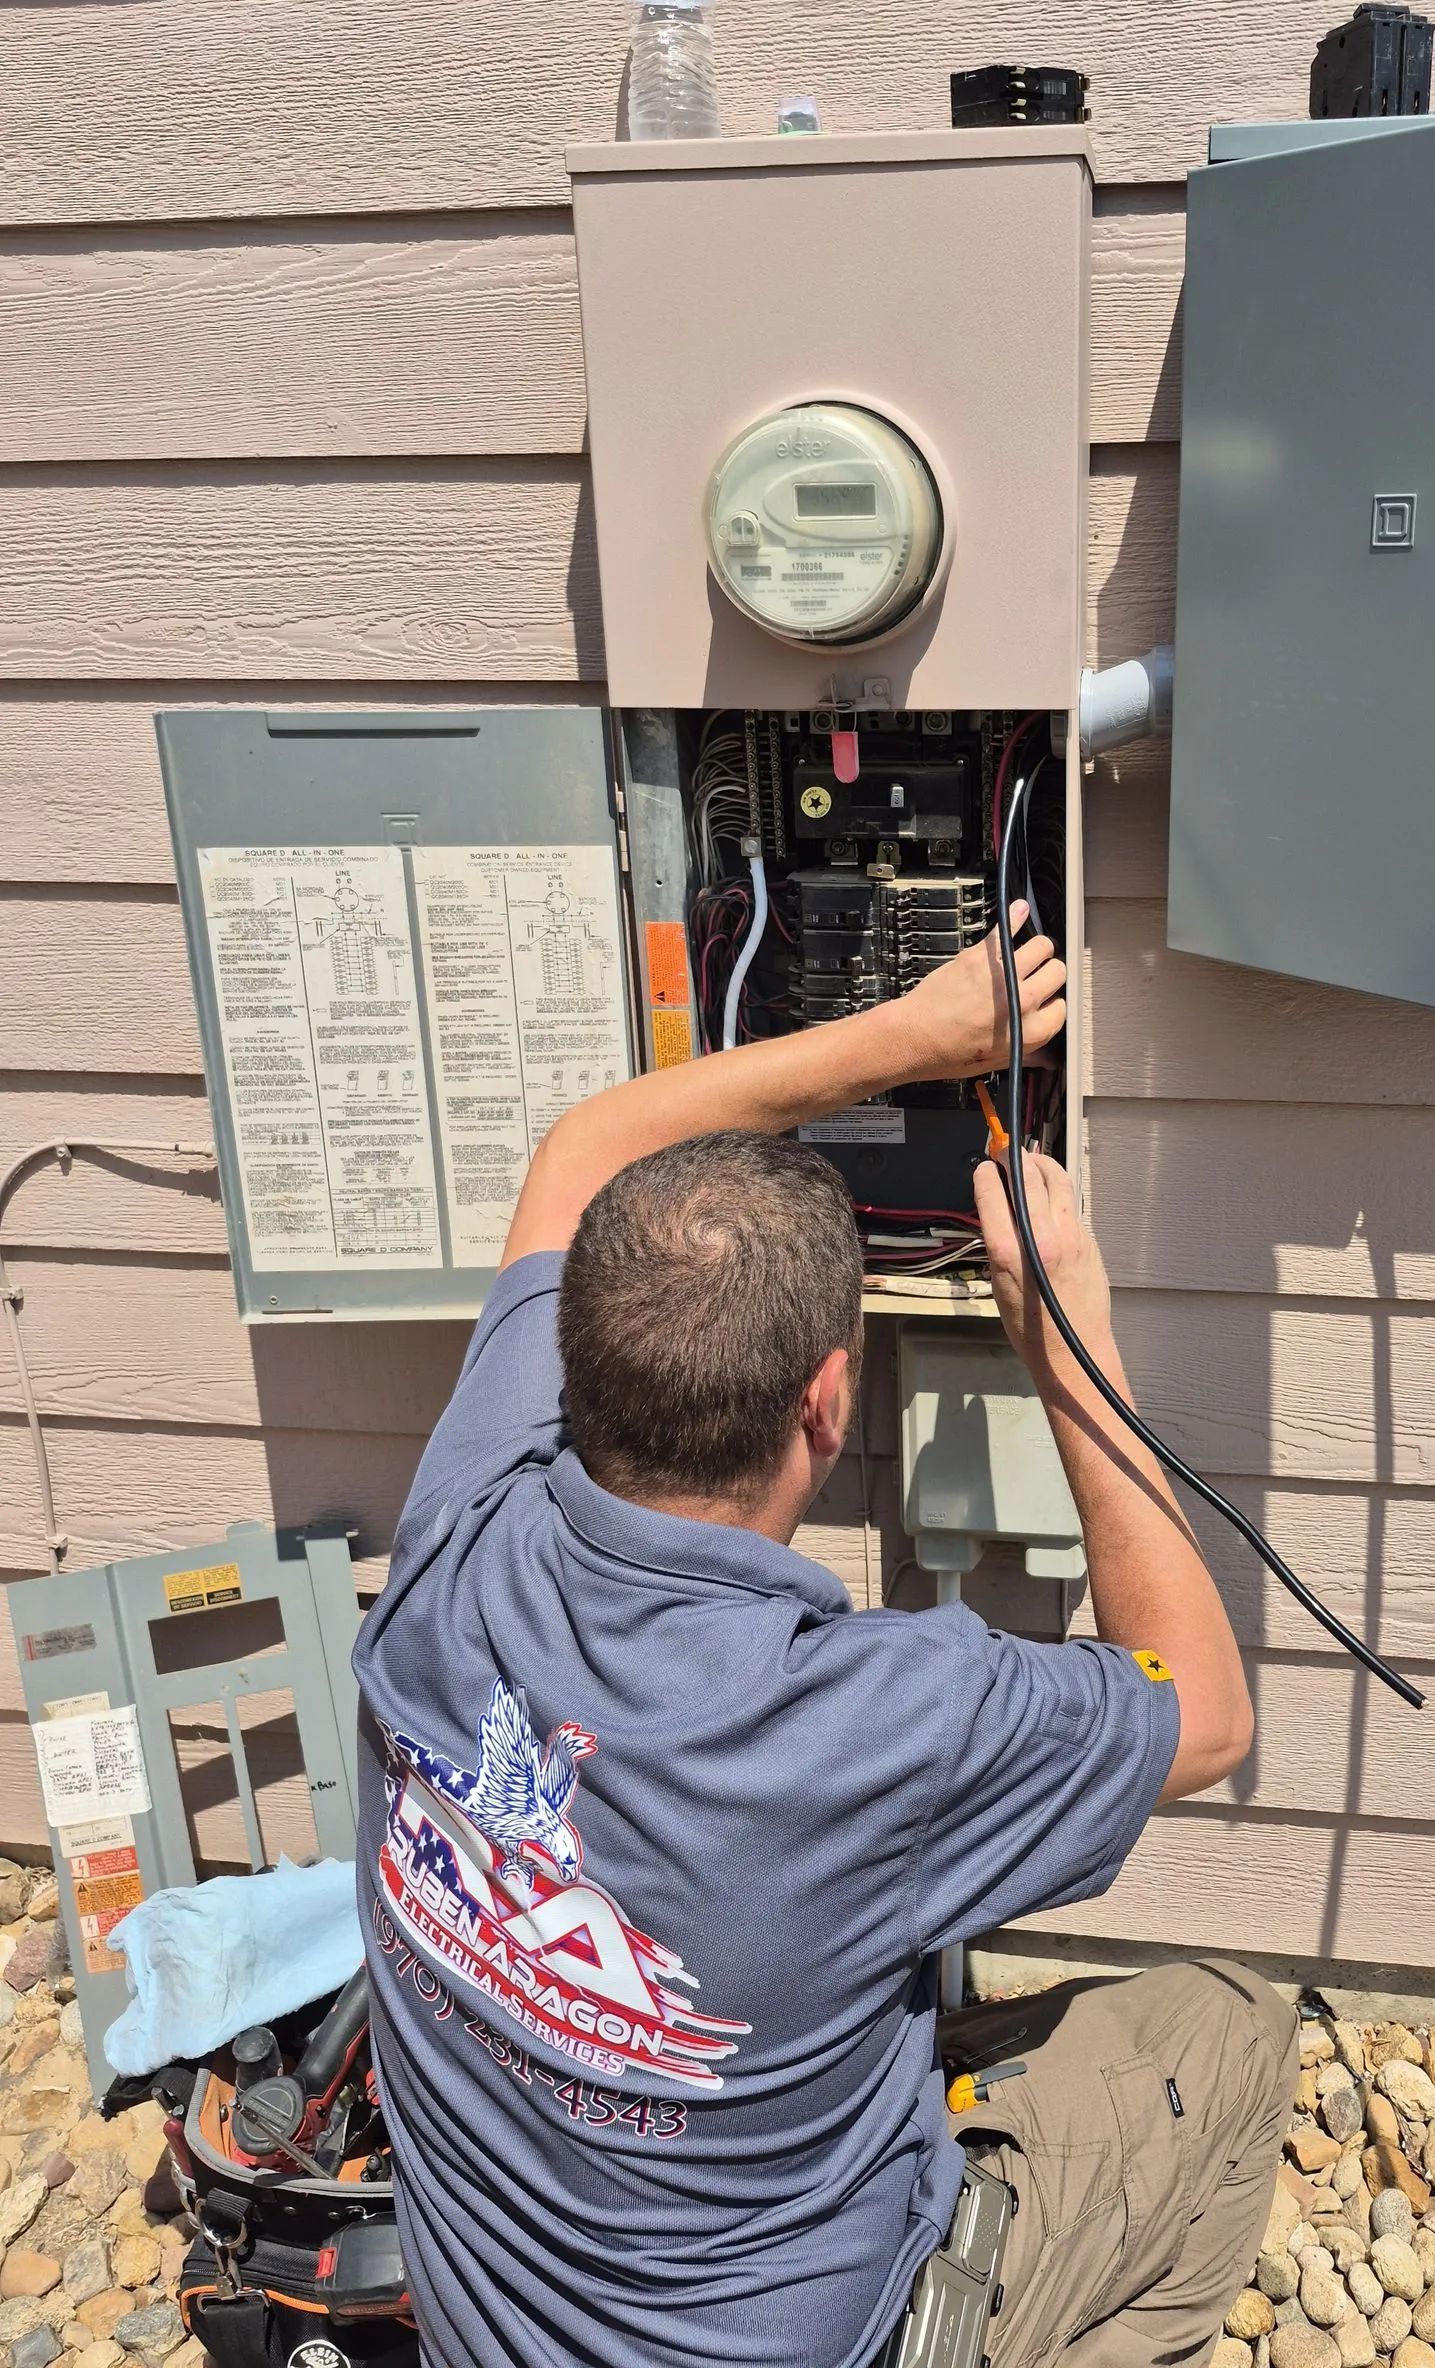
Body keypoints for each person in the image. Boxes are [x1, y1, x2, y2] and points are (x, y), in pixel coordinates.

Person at [353, 915, 1298, 2368]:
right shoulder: (875, 1722)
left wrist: (901, 1040)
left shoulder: (458, 1533)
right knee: (1229, 2031)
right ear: (827, 1405)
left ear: (571, 1365)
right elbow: (1207, 1712)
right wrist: (1070, 1341)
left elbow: (580, 1151)